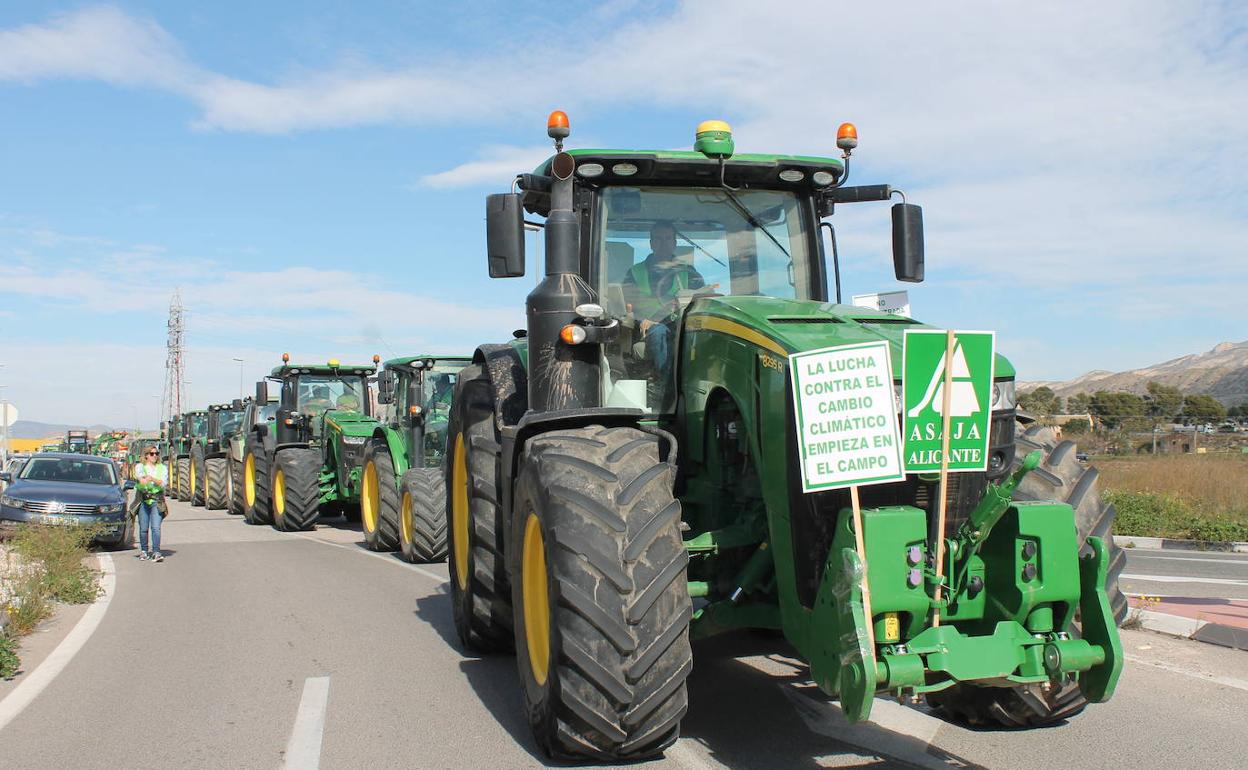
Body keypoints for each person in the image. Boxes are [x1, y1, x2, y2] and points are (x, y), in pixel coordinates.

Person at [620, 221, 706, 380]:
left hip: (683, 327)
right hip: (646, 329)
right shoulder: (635, 272)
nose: (663, 243)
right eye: (658, 239)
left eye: (668, 239)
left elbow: (703, 299)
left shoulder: (689, 272)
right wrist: (648, 321)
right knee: (658, 332)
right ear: (651, 243)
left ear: (674, 243)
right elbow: (626, 307)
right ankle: (665, 385)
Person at [132, 447, 168, 562]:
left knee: (156, 527)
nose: (154, 456)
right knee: (143, 528)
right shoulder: (140, 467)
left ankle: (156, 551)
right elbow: (140, 479)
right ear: (146, 455)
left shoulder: (162, 468)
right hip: (143, 501)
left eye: (156, 453)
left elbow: (163, 484)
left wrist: (152, 478)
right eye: (152, 454)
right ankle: (144, 551)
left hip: (156, 501)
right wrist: (145, 480)